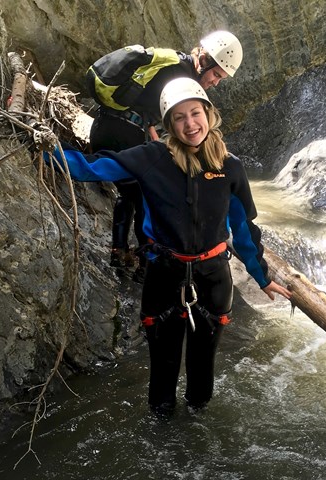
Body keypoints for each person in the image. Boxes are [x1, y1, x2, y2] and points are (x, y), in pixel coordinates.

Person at [47, 77, 291, 414]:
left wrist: (261, 276)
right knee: (162, 369)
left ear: (209, 113)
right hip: (164, 275)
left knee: (202, 370)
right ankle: (162, 432)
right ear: (169, 125)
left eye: (195, 113)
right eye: (179, 117)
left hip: (213, 278)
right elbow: (93, 167)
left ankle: (198, 436)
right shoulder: (152, 158)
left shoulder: (229, 168)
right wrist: (46, 152)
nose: (190, 124)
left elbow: (243, 229)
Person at [86, 31, 244, 282]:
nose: (216, 82)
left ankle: (119, 252)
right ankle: (146, 266)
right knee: (147, 198)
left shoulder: (171, 64)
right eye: (216, 75)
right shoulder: (180, 77)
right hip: (126, 132)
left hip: (104, 128)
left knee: (129, 192)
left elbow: (148, 110)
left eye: (220, 78)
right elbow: (159, 121)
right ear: (204, 59)